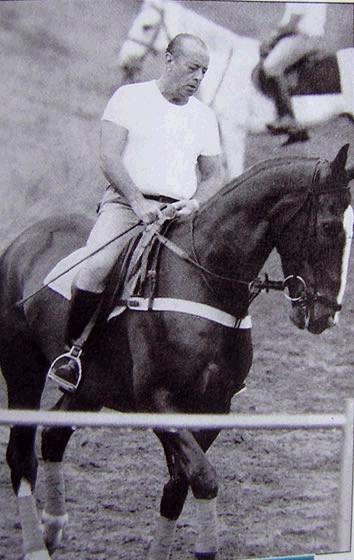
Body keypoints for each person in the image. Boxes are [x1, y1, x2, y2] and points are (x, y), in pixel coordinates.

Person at [50, 33, 224, 392]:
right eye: (193, 68)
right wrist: (136, 201)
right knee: (97, 265)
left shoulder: (204, 117)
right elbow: (109, 156)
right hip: (127, 205)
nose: (198, 79)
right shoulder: (130, 98)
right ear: (169, 60)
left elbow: (214, 174)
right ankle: (72, 353)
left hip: (178, 213)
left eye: (204, 72)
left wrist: (194, 202)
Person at [260, 2, 327, 135]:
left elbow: (292, 24)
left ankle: (287, 117)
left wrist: (272, 37)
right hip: (310, 37)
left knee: (271, 66)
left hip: (302, 38)